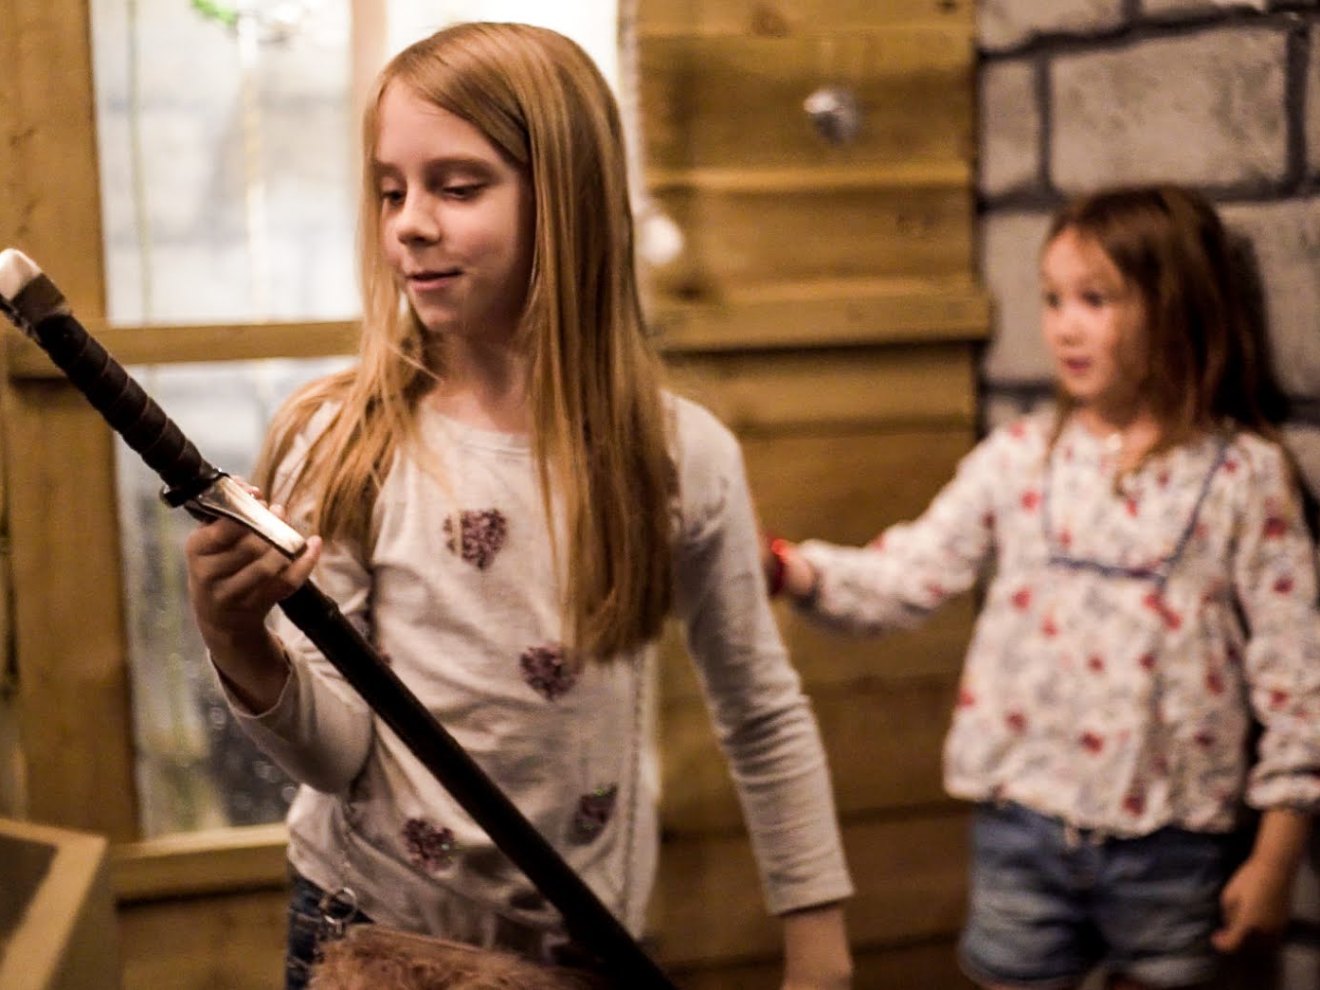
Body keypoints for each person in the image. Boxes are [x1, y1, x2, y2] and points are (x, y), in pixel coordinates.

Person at [183, 20, 852, 990]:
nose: (411, 221)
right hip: (371, 937)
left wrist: (815, 931)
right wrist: (238, 638)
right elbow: (337, 756)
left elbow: (759, 708)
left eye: (457, 187)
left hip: (586, 948)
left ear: (568, 200)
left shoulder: (678, 457)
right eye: (390, 190)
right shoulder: (348, 440)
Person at [765, 185, 1320, 990]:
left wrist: (1277, 855)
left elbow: (1296, 673)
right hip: (1021, 834)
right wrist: (792, 569)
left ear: (1176, 306)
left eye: (1096, 299)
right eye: (1054, 298)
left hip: (1174, 847)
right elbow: (911, 572)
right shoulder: (1019, 459)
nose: (1064, 324)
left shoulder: (1244, 477)